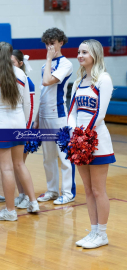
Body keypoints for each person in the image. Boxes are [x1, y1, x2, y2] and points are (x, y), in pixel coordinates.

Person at [68, 39, 116, 249]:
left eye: (84, 52)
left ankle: (102, 234)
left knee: (98, 190)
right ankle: (93, 231)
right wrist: (73, 134)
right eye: (78, 52)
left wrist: (85, 135)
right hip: (79, 140)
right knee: (86, 190)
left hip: (97, 140)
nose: (80, 55)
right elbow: (72, 112)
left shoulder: (103, 79)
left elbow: (100, 113)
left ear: (94, 55)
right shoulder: (78, 82)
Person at [33, 28, 76, 204]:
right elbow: (43, 91)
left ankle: (67, 193)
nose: (49, 46)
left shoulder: (66, 64)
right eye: (47, 43)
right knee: (48, 157)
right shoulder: (46, 65)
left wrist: (49, 59)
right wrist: (37, 117)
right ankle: (52, 190)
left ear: (61, 42)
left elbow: (47, 81)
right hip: (44, 115)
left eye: (53, 43)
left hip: (58, 115)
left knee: (64, 156)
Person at [0, 42, 39, 221]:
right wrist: (26, 125)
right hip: (19, 123)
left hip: (2, 125)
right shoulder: (20, 73)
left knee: (6, 168)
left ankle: (10, 211)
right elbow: (27, 104)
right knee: (19, 164)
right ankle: (33, 202)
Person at [11, 50, 35, 209]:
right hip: (15, 127)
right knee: (14, 166)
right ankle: (21, 195)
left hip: (25, 128)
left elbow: (30, 107)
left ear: (20, 63)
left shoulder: (27, 81)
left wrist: (27, 131)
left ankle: (28, 197)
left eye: (12, 63)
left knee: (20, 165)